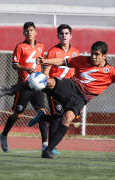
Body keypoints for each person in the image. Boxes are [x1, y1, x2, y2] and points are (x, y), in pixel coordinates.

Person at [0, 41, 115, 158]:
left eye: (96, 54)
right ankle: (10, 89)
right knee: (46, 81)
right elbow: (62, 62)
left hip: (81, 98)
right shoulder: (82, 60)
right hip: (71, 86)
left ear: (104, 55)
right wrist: (46, 61)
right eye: (92, 52)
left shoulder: (111, 71)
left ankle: (48, 150)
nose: (93, 56)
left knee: (67, 118)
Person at [0, 22, 47, 152]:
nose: (29, 33)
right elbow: (14, 65)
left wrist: (43, 76)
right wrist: (26, 69)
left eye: (31, 30)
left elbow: (42, 63)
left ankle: (45, 144)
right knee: (17, 115)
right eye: (26, 31)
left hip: (37, 87)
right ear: (23, 33)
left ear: (36, 32)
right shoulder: (20, 46)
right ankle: (4, 135)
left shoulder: (41, 46)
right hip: (24, 86)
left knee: (42, 114)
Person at [29, 24, 80, 154]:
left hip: (68, 89)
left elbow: (77, 71)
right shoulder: (53, 51)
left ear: (71, 36)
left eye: (66, 33)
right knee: (58, 116)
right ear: (58, 36)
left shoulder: (75, 52)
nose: (64, 36)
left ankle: (42, 118)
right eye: (62, 34)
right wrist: (48, 87)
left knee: (62, 116)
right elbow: (46, 71)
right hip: (55, 88)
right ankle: (51, 147)